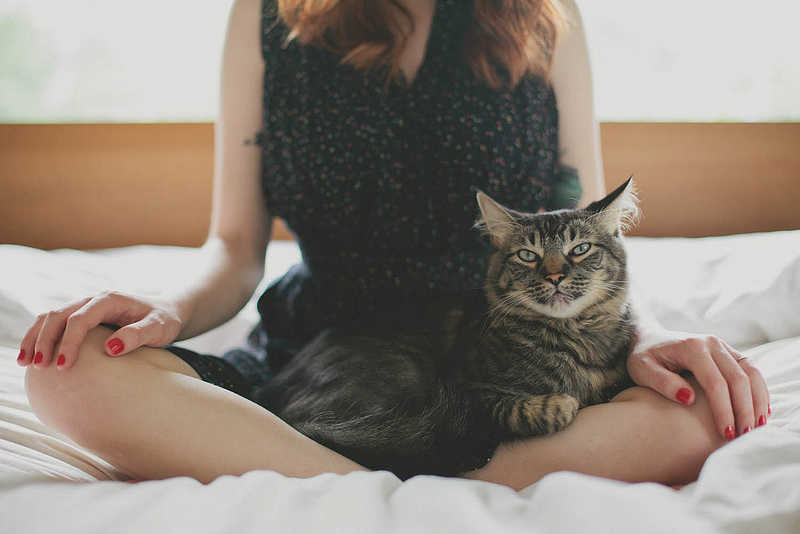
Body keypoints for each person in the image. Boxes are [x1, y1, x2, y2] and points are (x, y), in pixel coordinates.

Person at [20, 0, 769, 490]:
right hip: (322, 361)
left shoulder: (545, 14)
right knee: (65, 374)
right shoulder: (265, 16)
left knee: (696, 410)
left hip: (507, 354)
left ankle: (318, 475)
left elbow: (584, 230)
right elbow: (237, 245)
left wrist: (652, 336)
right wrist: (166, 307)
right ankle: (403, 478)